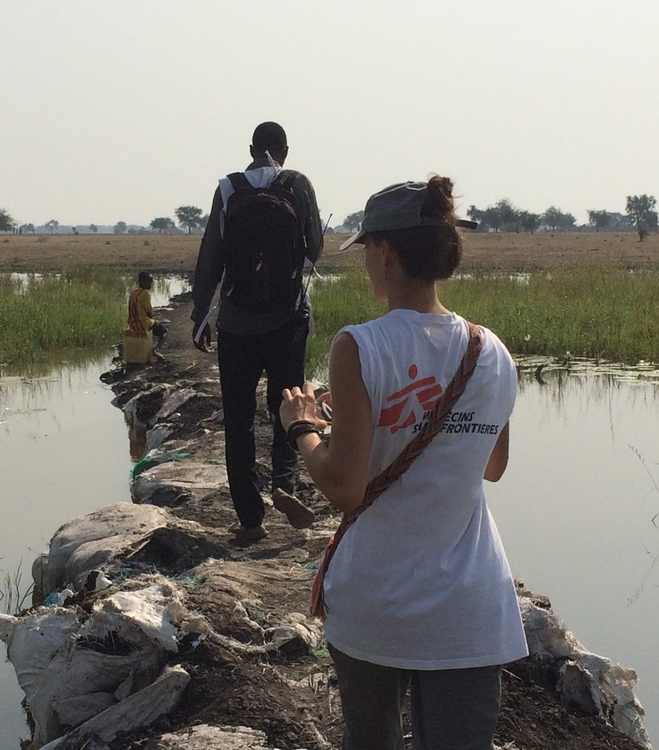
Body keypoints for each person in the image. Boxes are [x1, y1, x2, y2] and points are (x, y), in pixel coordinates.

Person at [279, 176, 527, 750]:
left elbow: (344, 487)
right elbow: (491, 464)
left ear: (385, 253)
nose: (367, 263)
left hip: (378, 603)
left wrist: (305, 428)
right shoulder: (490, 351)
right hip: (469, 605)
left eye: (367, 250)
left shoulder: (360, 346)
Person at [191, 121, 323, 541]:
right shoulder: (299, 185)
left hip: (235, 324)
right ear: (286, 149)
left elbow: (210, 256)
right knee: (287, 405)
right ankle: (284, 484)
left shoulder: (228, 189)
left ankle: (250, 519)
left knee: (239, 420)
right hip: (287, 321)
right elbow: (315, 246)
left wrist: (200, 315)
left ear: (250, 148)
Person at [123, 271, 166, 364]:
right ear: (142, 281)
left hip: (132, 324)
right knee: (163, 332)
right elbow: (149, 313)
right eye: (149, 281)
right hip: (143, 323)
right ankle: (156, 351)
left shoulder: (133, 292)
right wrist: (153, 321)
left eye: (151, 282)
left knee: (153, 326)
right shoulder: (145, 293)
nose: (150, 284)